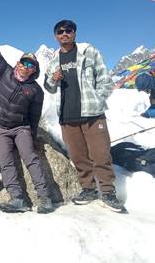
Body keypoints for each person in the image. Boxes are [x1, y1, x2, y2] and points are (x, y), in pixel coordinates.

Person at [44, 20, 125, 213]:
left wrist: (97, 101)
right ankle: (88, 189)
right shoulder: (54, 58)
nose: (64, 34)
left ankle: (107, 192)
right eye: (60, 31)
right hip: (67, 116)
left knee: (101, 153)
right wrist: (53, 79)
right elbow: (48, 86)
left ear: (74, 33)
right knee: (78, 156)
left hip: (92, 114)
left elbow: (106, 80)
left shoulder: (89, 51)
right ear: (55, 36)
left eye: (68, 30)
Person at [0, 21, 54, 214]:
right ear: (18, 63)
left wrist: (33, 136)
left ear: (34, 70)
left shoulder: (36, 91)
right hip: (1, 129)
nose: (25, 67)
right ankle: (17, 198)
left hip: (22, 128)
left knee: (31, 159)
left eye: (31, 65)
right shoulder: (5, 72)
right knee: (6, 162)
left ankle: (44, 198)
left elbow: (34, 117)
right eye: (24, 62)